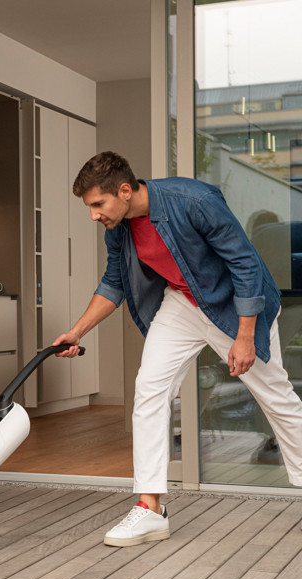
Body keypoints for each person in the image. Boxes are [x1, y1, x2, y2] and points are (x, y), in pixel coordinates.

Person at [52, 151, 302, 547]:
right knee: (150, 389)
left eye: (98, 204)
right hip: (183, 304)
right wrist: (77, 331)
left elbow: (246, 265)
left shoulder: (195, 201)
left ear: (123, 190)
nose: (94, 215)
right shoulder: (118, 227)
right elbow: (113, 282)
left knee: (276, 397)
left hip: (233, 305)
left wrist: (244, 335)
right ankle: (150, 509)